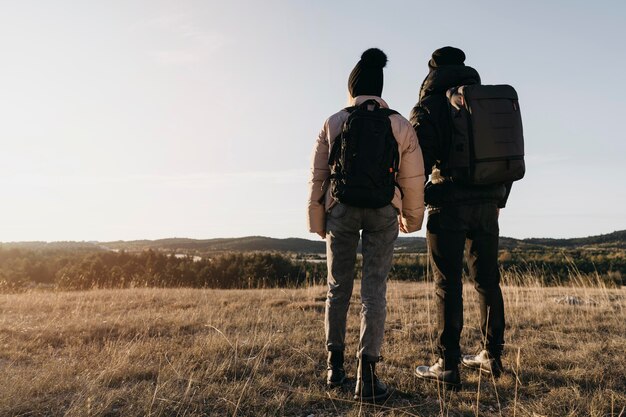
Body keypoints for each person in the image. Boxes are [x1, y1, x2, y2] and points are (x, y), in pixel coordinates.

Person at [307, 48, 425, 402]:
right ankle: (368, 376)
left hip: (340, 208)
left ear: (353, 87)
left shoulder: (334, 121)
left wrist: (317, 219)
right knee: (374, 291)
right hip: (383, 210)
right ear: (380, 85)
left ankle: (334, 367)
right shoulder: (399, 123)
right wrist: (411, 218)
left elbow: (318, 175)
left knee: (337, 287)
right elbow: (414, 180)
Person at [410, 47, 512, 390]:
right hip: (487, 204)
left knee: (447, 284)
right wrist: (499, 199)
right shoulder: (487, 102)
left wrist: (411, 202)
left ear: (432, 69)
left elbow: (418, 163)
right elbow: (506, 152)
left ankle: (448, 363)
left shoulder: (431, 105)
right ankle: (491, 356)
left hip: (447, 204)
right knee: (487, 281)